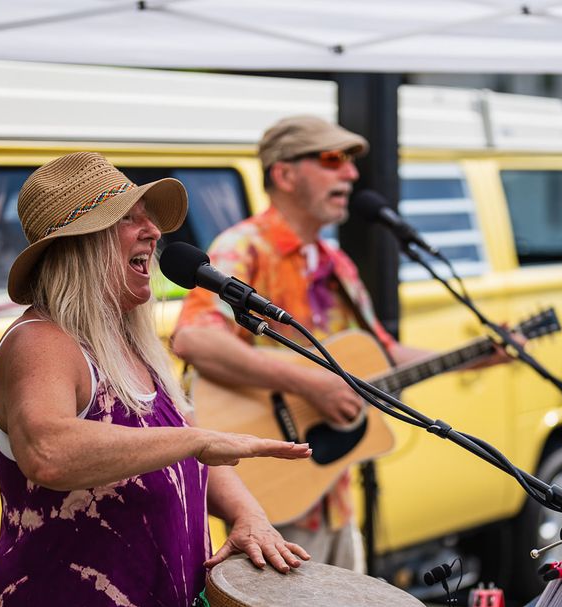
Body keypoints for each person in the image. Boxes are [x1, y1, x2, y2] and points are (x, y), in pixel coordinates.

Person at [0, 151, 313, 607]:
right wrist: (199, 436)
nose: (153, 232)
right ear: (77, 246)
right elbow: (48, 447)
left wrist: (246, 514)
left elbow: (187, 457)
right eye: (127, 219)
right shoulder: (40, 343)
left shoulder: (133, 346)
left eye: (149, 219)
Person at [172, 116, 446, 572]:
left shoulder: (336, 263)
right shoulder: (244, 248)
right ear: (284, 174)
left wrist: (476, 355)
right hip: (271, 504)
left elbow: (381, 354)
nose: (351, 175)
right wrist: (309, 385)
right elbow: (196, 339)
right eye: (333, 160)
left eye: (350, 164)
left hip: (332, 495)